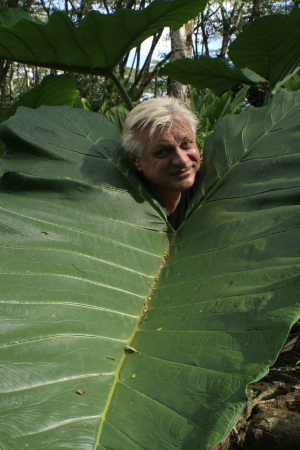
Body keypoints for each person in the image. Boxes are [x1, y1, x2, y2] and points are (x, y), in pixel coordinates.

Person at [122, 97, 201, 230]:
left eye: (186, 144)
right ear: (135, 159)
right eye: (163, 151)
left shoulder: (208, 189)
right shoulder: (123, 214)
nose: (182, 160)